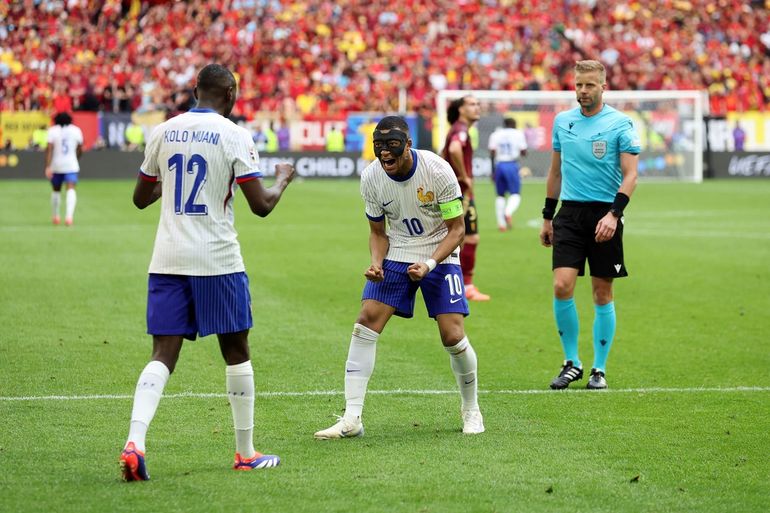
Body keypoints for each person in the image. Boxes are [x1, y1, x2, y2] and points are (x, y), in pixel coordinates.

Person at [120, 64, 295, 481]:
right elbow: (261, 205)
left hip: (167, 258)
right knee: (236, 350)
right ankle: (246, 453)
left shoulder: (164, 131)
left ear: (195, 89)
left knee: (163, 353)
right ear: (231, 94)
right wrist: (283, 180)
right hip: (217, 260)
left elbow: (141, 197)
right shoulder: (234, 135)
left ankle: (135, 442)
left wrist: (170, 181)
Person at [314, 116, 484, 439]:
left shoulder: (438, 171)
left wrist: (430, 265)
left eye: (391, 145)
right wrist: (376, 263)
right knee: (366, 321)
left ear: (408, 145)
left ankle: (471, 410)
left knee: (452, 335)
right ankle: (352, 418)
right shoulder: (371, 177)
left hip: (440, 251)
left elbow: (457, 230)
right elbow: (378, 233)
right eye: (379, 146)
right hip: (399, 250)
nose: (384, 153)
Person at [539, 60, 639, 390]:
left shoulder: (620, 123)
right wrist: (547, 216)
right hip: (569, 214)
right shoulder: (562, 121)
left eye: (590, 85)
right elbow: (555, 172)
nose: (583, 91)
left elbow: (631, 175)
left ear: (603, 87)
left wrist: (614, 214)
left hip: (605, 214)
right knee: (561, 285)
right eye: (579, 84)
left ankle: (599, 369)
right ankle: (572, 362)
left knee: (602, 292)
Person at [441, 95, 490, 301]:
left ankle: (450, 282)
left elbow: (443, 153)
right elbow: (453, 149)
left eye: (478, 104)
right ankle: (466, 286)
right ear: (461, 109)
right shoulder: (460, 130)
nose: (477, 107)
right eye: (472, 104)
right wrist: (464, 176)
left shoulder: (456, 129)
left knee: (454, 238)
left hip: (453, 193)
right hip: (459, 194)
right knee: (469, 238)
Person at [488, 117, 528, 231]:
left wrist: (492, 171)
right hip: (511, 165)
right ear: (514, 125)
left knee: (500, 195)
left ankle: (501, 224)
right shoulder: (518, 134)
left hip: (499, 165)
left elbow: (492, 153)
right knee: (515, 194)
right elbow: (524, 151)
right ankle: (507, 212)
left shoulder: (496, 134)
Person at [45, 112, 83, 226]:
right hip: (71, 164)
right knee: (71, 189)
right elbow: (80, 148)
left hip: (56, 165)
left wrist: (47, 166)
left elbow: (49, 150)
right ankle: (69, 217)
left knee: (56, 190)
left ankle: (56, 216)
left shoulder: (52, 131)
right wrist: (76, 157)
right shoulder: (76, 130)